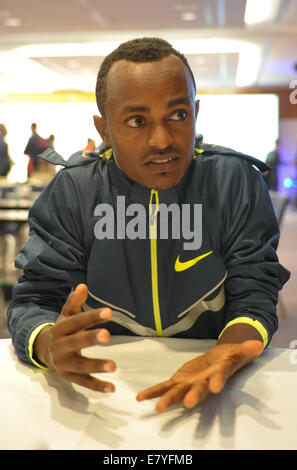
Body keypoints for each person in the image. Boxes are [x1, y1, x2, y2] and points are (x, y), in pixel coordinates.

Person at [7, 38, 290, 413]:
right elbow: (34, 300)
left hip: (216, 393)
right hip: (100, 395)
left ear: (195, 112)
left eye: (178, 115)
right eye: (137, 121)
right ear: (104, 129)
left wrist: (229, 348)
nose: (162, 140)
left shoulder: (233, 180)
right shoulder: (75, 190)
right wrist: (46, 344)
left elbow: (255, 290)